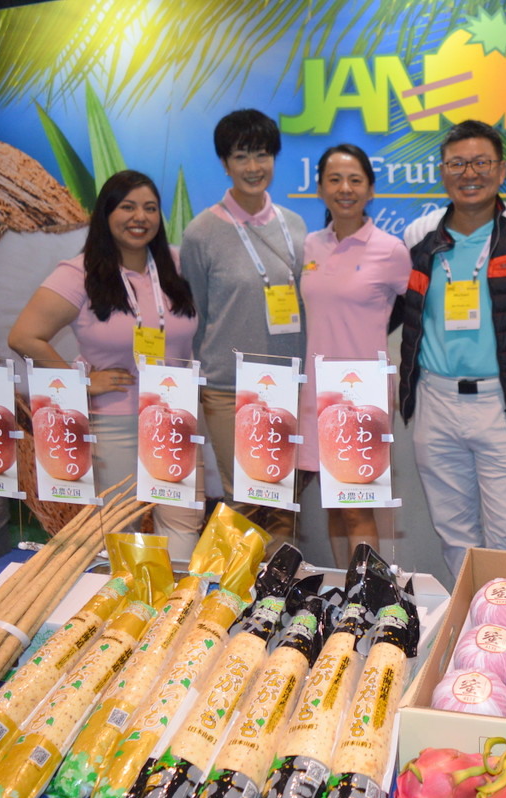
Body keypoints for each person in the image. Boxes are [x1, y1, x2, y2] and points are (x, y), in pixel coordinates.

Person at [8, 169, 201, 560]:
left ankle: (174, 597)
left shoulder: (178, 266)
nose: (140, 217)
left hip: (176, 417)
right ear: (106, 214)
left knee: (182, 522)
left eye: (150, 208)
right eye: (127, 207)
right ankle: (120, 597)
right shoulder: (79, 273)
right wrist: (80, 382)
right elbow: (24, 336)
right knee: (118, 525)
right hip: (115, 421)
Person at [398, 120, 506, 575]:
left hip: (501, 403)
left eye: (482, 162)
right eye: (458, 164)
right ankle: (468, 616)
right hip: (435, 401)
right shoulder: (418, 235)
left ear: (502, 170)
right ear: (442, 173)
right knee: (455, 534)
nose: (470, 173)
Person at [180, 109, 307, 544]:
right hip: (229, 387)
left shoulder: (294, 225)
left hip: (287, 384)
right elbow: (196, 313)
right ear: (224, 163)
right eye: (241, 156)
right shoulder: (201, 232)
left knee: (284, 499)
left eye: (262, 155)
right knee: (246, 498)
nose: (253, 167)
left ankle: (280, 581)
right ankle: (237, 584)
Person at [297, 143, 411, 567]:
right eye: (334, 179)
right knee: (333, 502)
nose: (345, 188)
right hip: (316, 393)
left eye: (355, 180)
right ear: (320, 189)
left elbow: (412, 308)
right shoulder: (310, 246)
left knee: (357, 506)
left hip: (362, 397)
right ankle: (346, 588)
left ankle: (364, 593)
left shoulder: (391, 249)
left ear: (370, 189)